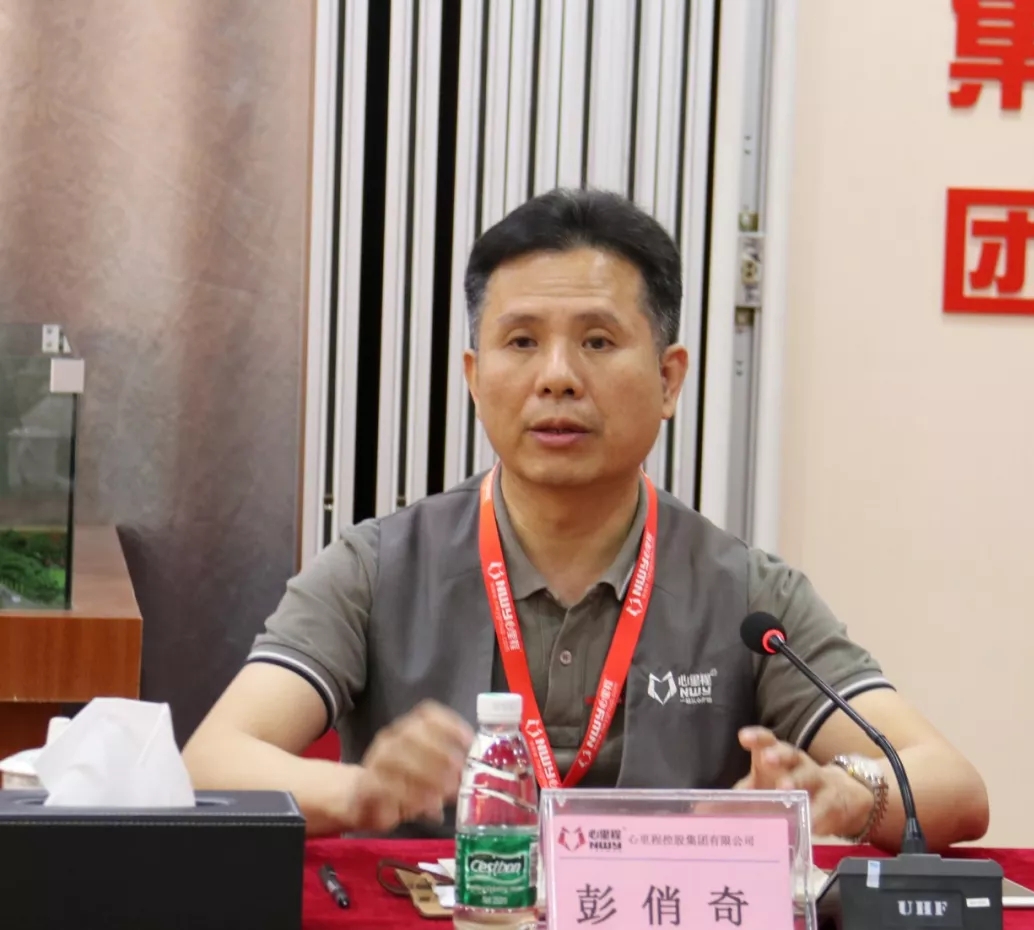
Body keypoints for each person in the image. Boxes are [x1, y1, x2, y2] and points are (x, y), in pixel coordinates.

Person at [183, 188, 989, 851]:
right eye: (521, 342)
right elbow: (210, 761)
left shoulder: (746, 594)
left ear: (669, 380)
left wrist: (844, 795)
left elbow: (953, 784)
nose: (558, 377)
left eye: (598, 342)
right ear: (474, 377)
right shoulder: (378, 566)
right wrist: (363, 792)